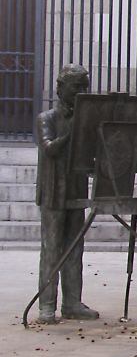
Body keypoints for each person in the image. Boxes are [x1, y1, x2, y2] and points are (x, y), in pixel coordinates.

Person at [34, 65, 99, 323]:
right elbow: (49, 148)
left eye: (85, 86)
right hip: (53, 191)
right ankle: (46, 305)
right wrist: (73, 130)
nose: (82, 91)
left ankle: (72, 303)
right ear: (61, 88)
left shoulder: (86, 118)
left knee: (75, 248)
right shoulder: (46, 118)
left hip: (76, 189)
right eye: (77, 87)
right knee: (51, 249)